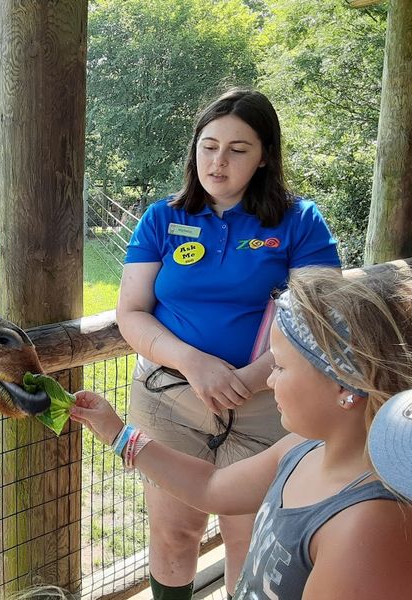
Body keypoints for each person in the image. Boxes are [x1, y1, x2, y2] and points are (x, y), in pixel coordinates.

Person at [116, 88, 341, 599]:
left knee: (248, 538)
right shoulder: (161, 219)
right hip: (170, 398)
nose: (218, 161)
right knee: (175, 535)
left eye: (238, 149)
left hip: (266, 404)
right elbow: (131, 313)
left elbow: (318, 318)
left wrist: (248, 379)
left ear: (264, 158)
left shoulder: (299, 221)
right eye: (208, 145)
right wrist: (193, 363)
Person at [72, 266, 412, 599]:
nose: (269, 379)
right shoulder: (304, 448)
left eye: (279, 366)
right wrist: (118, 434)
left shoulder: (367, 527)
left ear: (345, 387)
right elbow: (211, 487)